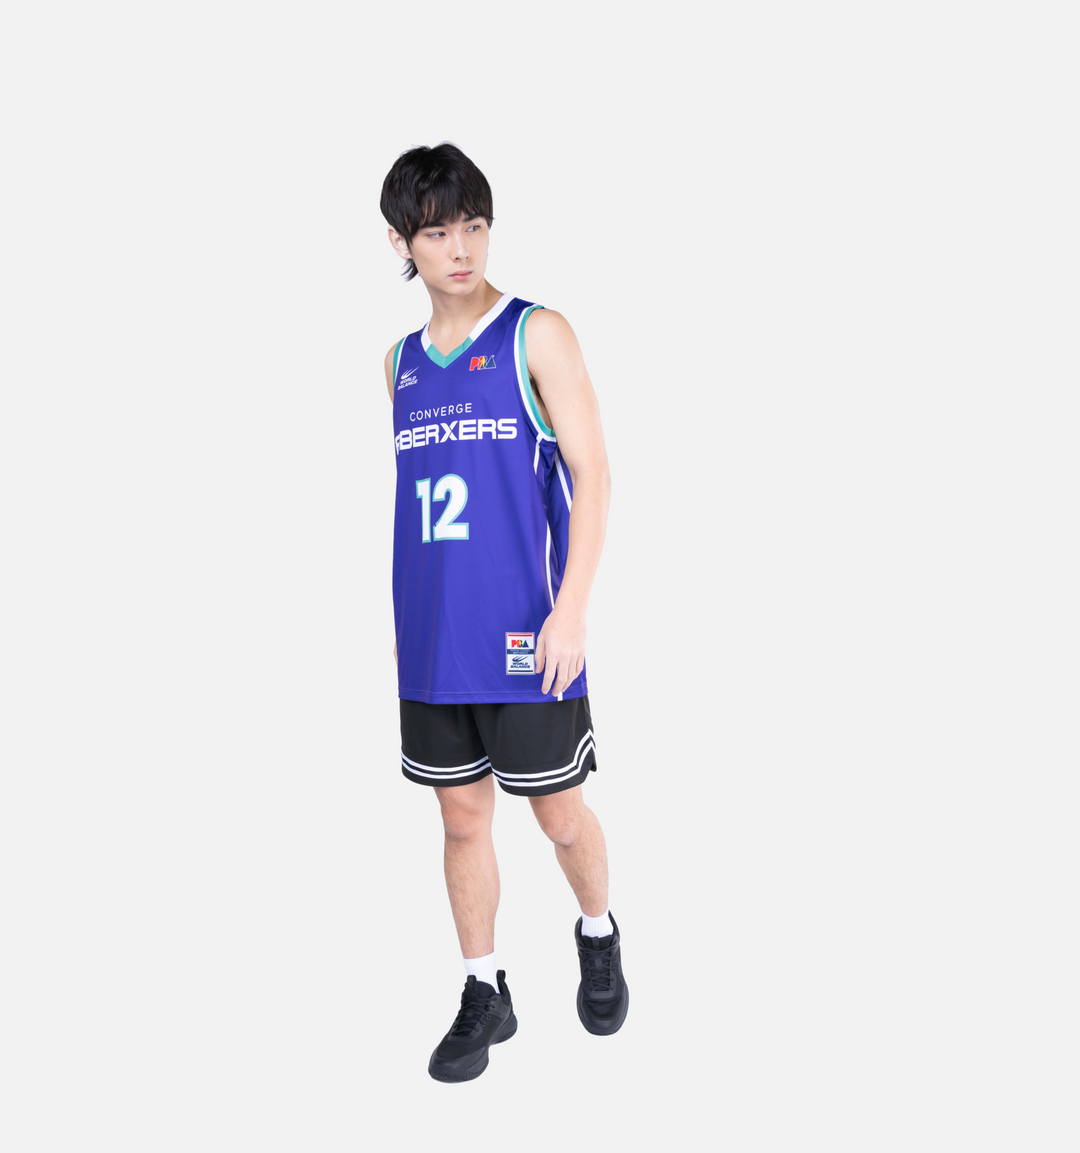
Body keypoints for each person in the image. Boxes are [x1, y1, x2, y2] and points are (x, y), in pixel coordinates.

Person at [380, 143, 627, 1082]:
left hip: (530, 634)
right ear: (401, 242)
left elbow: (593, 475)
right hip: (434, 641)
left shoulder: (536, 334)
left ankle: (597, 930)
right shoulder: (398, 364)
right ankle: (486, 989)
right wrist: (405, 624)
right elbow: (420, 500)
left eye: (474, 225)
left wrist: (572, 610)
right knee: (459, 820)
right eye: (438, 231)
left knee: (558, 815)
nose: (461, 248)